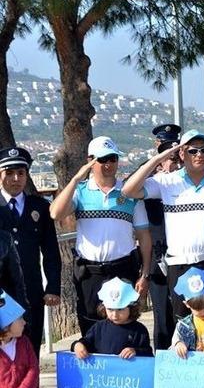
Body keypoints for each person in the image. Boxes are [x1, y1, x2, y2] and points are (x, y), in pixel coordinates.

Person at [122, 130, 204, 341]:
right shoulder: (167, 182)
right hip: (180, 265)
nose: (199, 155)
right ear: (181, 154)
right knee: (184, 327)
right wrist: (160, 157)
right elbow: (129, 190)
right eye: (192, 151)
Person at [50, 136, 151, 336]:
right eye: (103, 159)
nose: (108, 164)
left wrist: (145, 273)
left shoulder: (129, 192)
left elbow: (144, 235)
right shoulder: (80, 192)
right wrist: (75, 179)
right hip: (90, 271)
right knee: (90, 326)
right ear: (91, 161)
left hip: (123, 268)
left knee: (125, 327)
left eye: (113, 159)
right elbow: (55, 213)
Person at [0, 146, 60, 388]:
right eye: (9, 172)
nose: (15, 178)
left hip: (29, 294)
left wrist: (54, 287)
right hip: (1, 296)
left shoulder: (39, 208)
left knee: (29, 349)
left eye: (20, 172)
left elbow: (50, 252)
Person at [145, 128, 182, 350]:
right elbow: (131, 187)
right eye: (169, 158)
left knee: (184, 310)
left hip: (181, 253)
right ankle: (162, 360)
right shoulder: (152, 181)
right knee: (161, 313)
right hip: (158, 254)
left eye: (176, 158)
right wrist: (155, 164)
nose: (173, 164)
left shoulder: (182, 182)